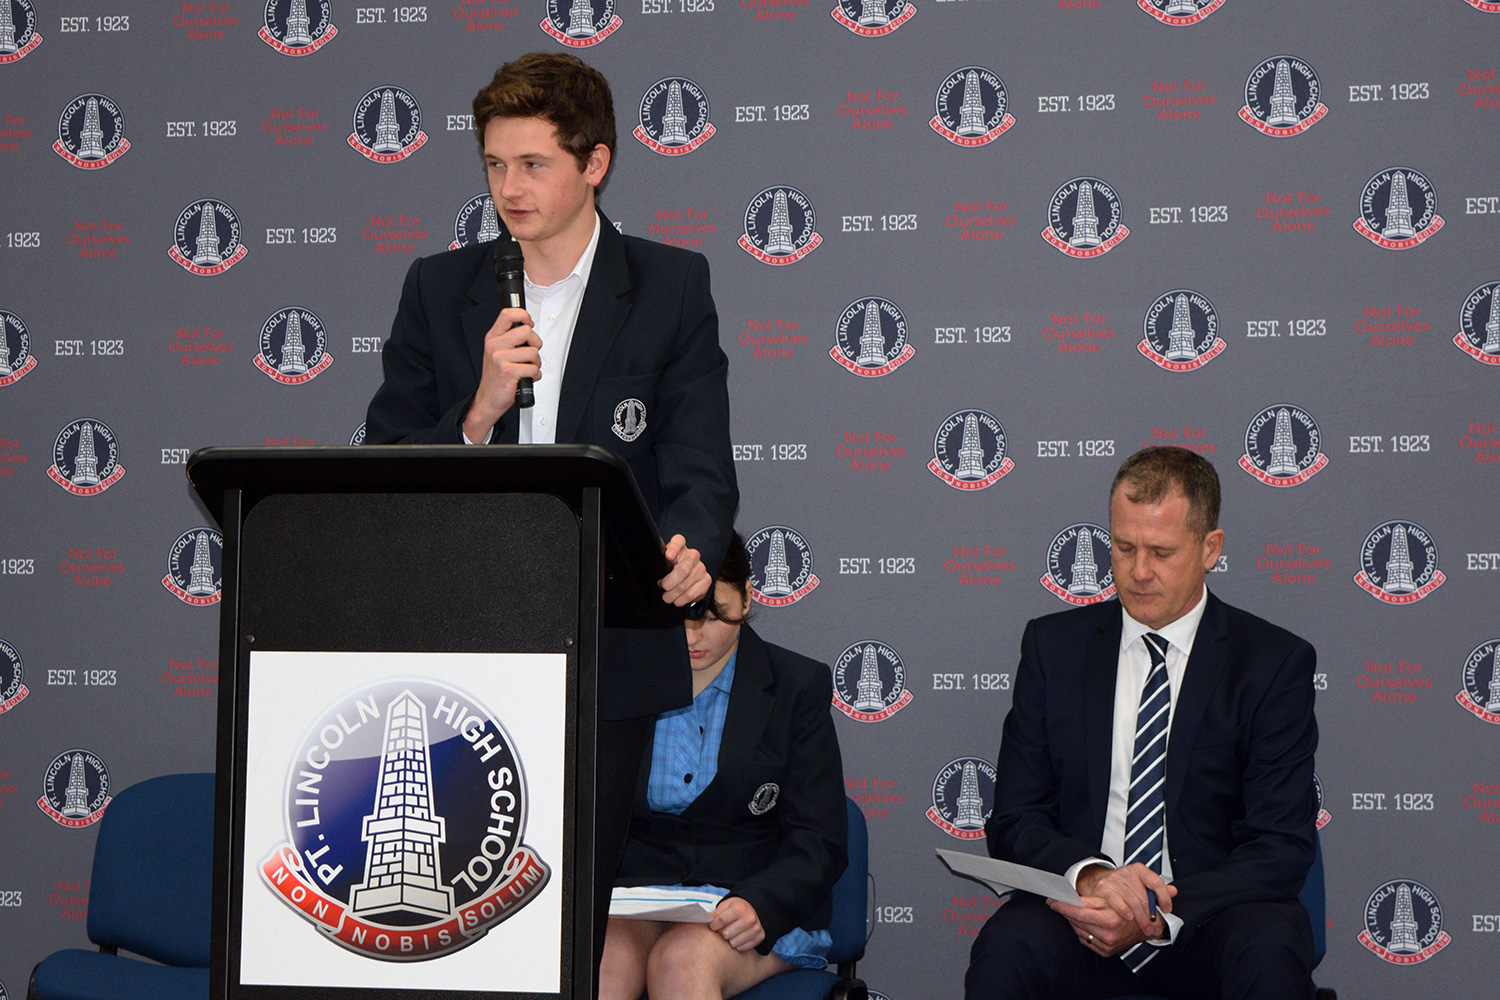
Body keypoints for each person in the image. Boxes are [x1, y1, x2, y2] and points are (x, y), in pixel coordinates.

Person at [362, 51, 737, 979]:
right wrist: (478, 413)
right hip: (465, 640)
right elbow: (381, 461)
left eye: (533, 164)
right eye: (495, 164)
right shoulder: (439, 289)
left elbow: (699, 463)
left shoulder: (670, 284)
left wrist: (692, 549)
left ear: (594, 163)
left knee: (568, 917)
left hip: (608, 640)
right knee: (456, 912)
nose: (509, 188)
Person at [965, 448, 1319, 1000]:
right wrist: (1092, 878)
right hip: (1082, 918)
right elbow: (1015, 819)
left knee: (1270, 947)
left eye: (1162, 552)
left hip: (1208, 920)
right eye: (1124, 547)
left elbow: (1279, 846)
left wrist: (1152, 910)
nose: (1138, 572)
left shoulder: (1271, 664)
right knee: (1008, 947)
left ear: (1210, 549)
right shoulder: (1053, 649)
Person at [601, 531, 847, 1000]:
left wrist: (762, 903)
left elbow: (821, 838)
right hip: (637, 895)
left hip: (751, 896)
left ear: (748, 597)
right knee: (600, 967)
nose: (693, 636)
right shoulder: (614, 680)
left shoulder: (797, 686)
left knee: (680, 963)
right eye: (676, 617)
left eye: (713, 616)